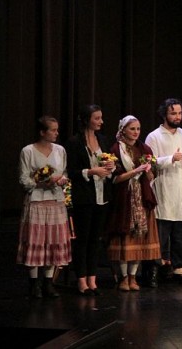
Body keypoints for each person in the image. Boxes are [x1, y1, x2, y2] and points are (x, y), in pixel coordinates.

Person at [145, 98, 182, 285]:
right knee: (161, 236)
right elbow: (150, 162)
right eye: (173, 113)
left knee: (181, 236)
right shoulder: (154, 137)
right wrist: (170, 158)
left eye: (180, 113)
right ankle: (155, 270)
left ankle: (179, 270)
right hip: (164, 191)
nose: (177, 117)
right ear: (164, 115)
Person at [17, 116, 72, 298]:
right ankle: (34, 284)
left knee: (53, 241)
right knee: (36, 241)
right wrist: (42, 181)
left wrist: (62, 180)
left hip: (56, 200)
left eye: (57, 129)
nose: (57, 133)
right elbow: (24, 179)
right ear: (42, 132)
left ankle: (48, 283)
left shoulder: (60, 150)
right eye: (53, 130)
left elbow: (64, 172)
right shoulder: (28, 151)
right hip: (37, 200)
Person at [65, 104, 116, 295]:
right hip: (84, 197)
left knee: (95, 240)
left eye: (101, 118)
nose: (101, 121)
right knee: (83, 239)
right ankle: (81, 281)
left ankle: (92, 281)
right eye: (97, 118)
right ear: (86, 120)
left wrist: (110, 166)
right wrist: (91, 171)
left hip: (102, 196)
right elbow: (71, 171)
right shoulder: (74, 142)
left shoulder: (102, 139)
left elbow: (110, 164)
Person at [106, 116, 161, 291]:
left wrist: (149, 171)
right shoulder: (116, 150)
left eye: (138, 129)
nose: (136, 132)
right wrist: (136, 171)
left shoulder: (144, 149)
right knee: (125, 238)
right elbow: (115, 179)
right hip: (124, 198)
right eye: (132, 129)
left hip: (141, 197)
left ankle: (133, 277)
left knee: (138, 237)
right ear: (123, 130)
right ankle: (123, 277)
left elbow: (151, 176)